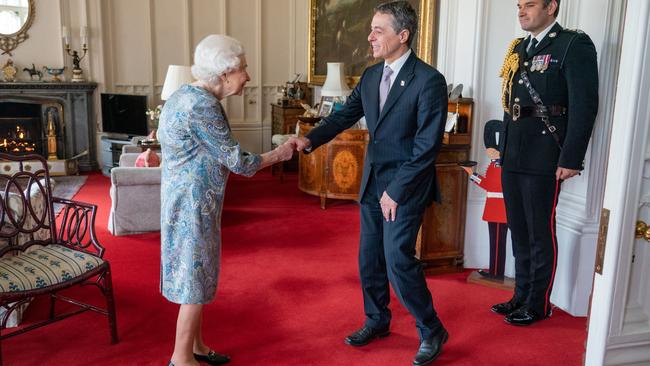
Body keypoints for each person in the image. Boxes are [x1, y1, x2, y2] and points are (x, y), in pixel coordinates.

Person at [289, 2, 448, 364]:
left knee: (397, 260)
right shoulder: (372, 76)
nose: (370, 36)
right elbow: (345, 115)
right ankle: (377, 320)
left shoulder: (429, 81)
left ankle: (431, 328)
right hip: (373, 183)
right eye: (372, 29)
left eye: (379, 30)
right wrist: (310, 139)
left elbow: (427, 147)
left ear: (402, 35)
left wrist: (396, 191)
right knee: (370, 259)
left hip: (405, 186)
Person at [158, 34, 293, 366]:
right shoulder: (203, 106)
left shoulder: (183, 96)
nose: (247, 76)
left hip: (182, 199)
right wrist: (281, 152)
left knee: (197, 273)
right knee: (193, 279)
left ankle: (197, 346)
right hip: (193, 206)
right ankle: (180, 359)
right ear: (224, 71)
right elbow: (240, 163)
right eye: (243, 68)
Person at [494, 0, 598, 326]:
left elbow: (584, 104)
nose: (521, 11)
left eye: (530, 4)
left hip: (545, 153)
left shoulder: (572, 44)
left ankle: (538, 303)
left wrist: (571, 157)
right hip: (514, 152)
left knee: (540, 231)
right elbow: (510, 101)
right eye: (519, 5)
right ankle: (520, 294)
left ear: (551, 6)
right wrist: (502, 148)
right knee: (519, 229)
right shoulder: (519, 48)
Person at [461, 120, 508, 280]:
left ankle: (496, 273)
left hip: (498, 209)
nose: (489, 153)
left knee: (496, 242)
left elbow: (490, 185)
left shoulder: (498, 167)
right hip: (498, 207)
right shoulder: (496, 164)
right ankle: (495, 270)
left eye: (491, 150)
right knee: (496, 241)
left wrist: (471, 174)